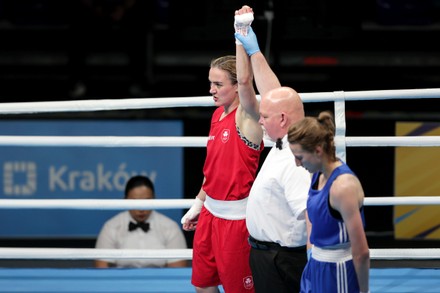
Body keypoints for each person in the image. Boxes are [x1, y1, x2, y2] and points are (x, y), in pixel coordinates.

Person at [234, 5, 312, 293]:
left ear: (282, 120)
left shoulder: (298, 160)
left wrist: (315, 262)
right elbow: (271, 93)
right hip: (268, 255)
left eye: (265, 117)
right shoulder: (284, 141)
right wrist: (247, 43)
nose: (260, 121)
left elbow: (311, 216)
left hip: (284, 260)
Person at [180, 53, 264, 291]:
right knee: (202, 285)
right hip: (209, 214)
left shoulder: (247, 118)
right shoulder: (218, 115)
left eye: (218, 84)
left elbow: (247, 81)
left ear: (237, 87)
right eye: (210, 83)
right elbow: (213, 169)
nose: (211, 90)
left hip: (236, 222)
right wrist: (198, 204)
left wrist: (242, 35)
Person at [287, 111, 370, 293]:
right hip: (316, 263)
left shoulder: (343, 187)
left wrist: (364, 291)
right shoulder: (317, 173)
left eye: (299, 157)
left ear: (318, 150)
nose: (296, 163)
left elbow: (361, 252)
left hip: (338, 270)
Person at [95, 175, 188, 268]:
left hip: (159, 281)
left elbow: (177, 271)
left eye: (146, 201)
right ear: (124, 200)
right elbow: (102, 269)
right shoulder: (111, 226)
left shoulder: (170, 227)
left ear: (154, 199)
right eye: (135, 201)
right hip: (121, 281)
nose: (141, 208)